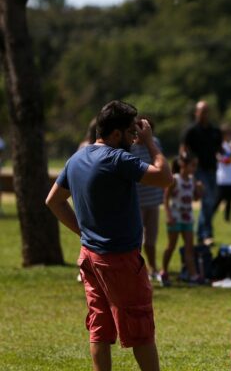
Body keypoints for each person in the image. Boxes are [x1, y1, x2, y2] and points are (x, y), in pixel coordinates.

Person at [46, 100, 171, 371]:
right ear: (115, 134)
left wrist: (83, 231)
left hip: (89, 257)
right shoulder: (117, 159)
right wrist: (150, 142)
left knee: (99, 325)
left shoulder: (76, 158)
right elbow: (164, 177)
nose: (135, 138)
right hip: (120, 260)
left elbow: (53, 201)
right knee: (139, 324)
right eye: (131, 132)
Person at [181, 100, 222, 245]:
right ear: (196, 113)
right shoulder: (191, 131)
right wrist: (186, 168)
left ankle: (201, 233)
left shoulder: (215, 131)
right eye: (201, 111)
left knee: (211, 202)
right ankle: (206, 235)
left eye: (206, 111)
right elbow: (183, 150)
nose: (204, 114)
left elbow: (219, 149)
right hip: (199, 171)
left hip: (213, 170)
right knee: (208, 200)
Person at [161, 153, 204, 286]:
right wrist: (168, 215)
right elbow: (166, 199)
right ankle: (164, 271)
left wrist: (200, 190)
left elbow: (195, 198)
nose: (194, 168)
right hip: (175, 217)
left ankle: (193, 275)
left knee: (189, 248)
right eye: (193, 165)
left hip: (188, 218)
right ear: (183, 165)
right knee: (171, 246)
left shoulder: (192, 180)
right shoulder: (175, 179)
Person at [130, 116, 165, 282]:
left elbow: (161, 166)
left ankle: (153, 268)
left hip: (153, 200)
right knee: (136, 240)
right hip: (137, 201)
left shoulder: (155, 143)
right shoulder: (129, 146)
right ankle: (136, 269)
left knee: (151, 240)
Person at [215, 123, 231, 223]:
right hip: (222, 179)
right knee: (218, 200)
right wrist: (230, 154)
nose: (228, 136)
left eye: (229, 134)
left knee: (229, 201)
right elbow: (224, 160)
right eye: (226, 134)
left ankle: (227, 219)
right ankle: (210, 215)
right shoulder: (219, 146)